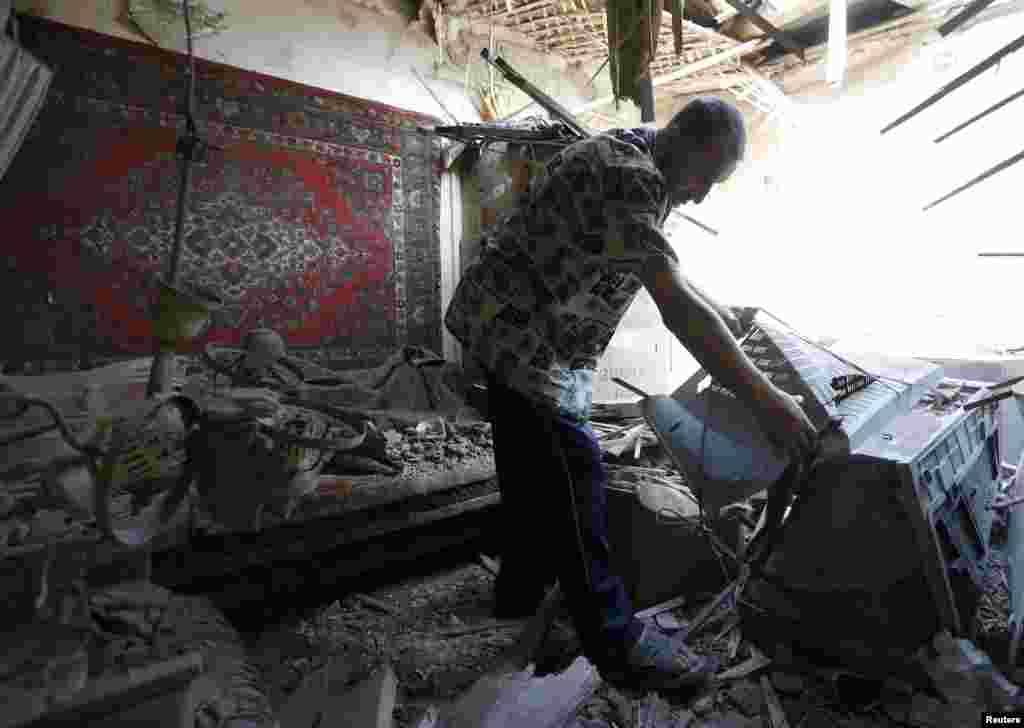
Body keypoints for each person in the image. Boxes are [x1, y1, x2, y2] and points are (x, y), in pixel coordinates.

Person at [444, 97, 818, 690]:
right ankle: (617, 643)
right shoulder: (629, 174)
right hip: (523, 333)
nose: (701, 196)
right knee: (577, 473)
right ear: (687, 146)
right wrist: (768, 398)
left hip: (506, 318)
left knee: (527, 468)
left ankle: (519, 592)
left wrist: (723, 310)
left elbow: (656, 262)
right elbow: (674, 305)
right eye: (707, 179)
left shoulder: (649, 152)